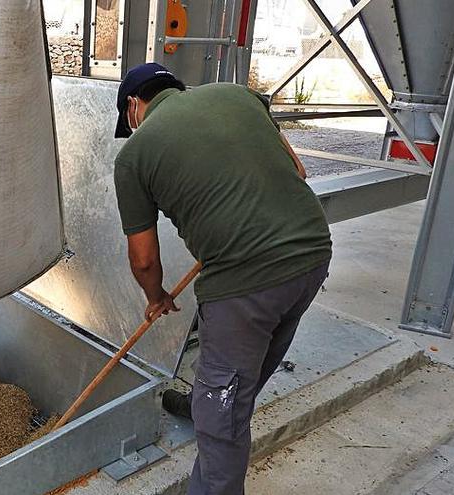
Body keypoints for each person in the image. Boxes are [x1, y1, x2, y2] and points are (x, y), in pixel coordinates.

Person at [112, 63, 332, 495]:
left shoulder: (135, 155)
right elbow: (298, 171)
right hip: (312, 255)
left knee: (223, 416)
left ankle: (216, 411)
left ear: (134, 106)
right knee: (244, 369)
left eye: (129, 119)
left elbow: (142, 260)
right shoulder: (237, 95)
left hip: (247, 285)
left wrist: (155, 297)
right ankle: (212, 400)